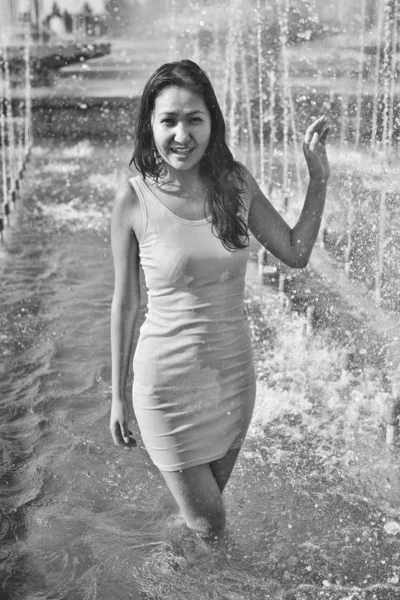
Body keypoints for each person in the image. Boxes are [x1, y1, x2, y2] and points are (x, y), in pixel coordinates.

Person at [109, 59, 329, 542]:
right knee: (213, 526)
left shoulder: (235, 184)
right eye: (168, 120)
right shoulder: (133, 200)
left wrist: (318, 181)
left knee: (201, 522)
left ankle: (170, 575)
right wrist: (117, 396)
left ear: (212, 121)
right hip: (165, 388)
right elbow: (125, 304)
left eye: (194, 119)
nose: (181, 134)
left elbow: (295, 252)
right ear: (150, 125)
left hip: (231, 381)